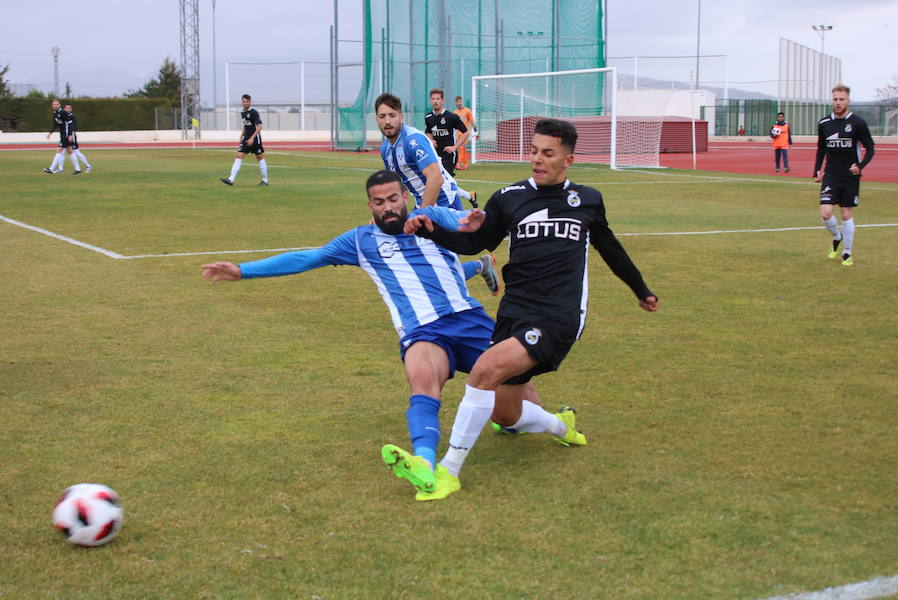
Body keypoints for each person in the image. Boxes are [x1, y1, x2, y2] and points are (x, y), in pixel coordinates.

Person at [201, 170, 550, 502]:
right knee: (423, 379)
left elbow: (476, 226)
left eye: (393, 199)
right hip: (423, 330)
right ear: (370, 206)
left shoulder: (434, 217)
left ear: (405, 198)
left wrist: (478, 223)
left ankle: (530, 422)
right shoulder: (360, 241)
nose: (388, 207)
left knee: (515, 411)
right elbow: (308, 257)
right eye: (379, 202)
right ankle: (424, 463)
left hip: (469, 321)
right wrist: (243, 271)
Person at [400, 118, 659, 501]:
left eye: (548, 153)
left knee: (484, 371)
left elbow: (610, 247)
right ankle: (562, 427)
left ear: (568, 159)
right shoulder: (509, 197)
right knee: (505, 414)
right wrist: (429, 229)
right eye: (534, 150)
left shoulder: (587, 199)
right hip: (514, 312)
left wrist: (641, 289)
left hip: (558, 316)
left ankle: (447, 473)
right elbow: (476, 244)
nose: (538, 159)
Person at [375, 92, 498, 295]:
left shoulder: (413, 140)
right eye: (382, 116)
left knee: (440, 272)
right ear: (376, 119)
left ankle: (478, 271)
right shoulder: (385, 150)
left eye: (392, 115)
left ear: (401, 116)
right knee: (426, 267)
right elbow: (399, 185)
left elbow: (435, 179)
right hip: (423, 206)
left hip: (444, 204)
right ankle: (481, 266)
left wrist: (421, 215)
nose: (387, 121)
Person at [813, 84, 875, 267]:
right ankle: (837, 236)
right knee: (826, 213)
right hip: (831, 174)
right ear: (832, 100)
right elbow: (821, 148)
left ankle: (847, 253)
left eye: (841, 99)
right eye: (835, 99)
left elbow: (870, 148)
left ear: (848, 101)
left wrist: (860, 166)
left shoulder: (858, 123)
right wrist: (817, 169)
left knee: (846, 215)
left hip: (850, 176)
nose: (838, 103)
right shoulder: (824, 123)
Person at [220, 94, 268, 186]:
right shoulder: (242, 112)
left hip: (255, 138)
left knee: (260, 157)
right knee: (239, 155)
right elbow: (246, 126)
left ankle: (265, 180)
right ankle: (231, 179)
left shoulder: (254, 112)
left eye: (246, 101)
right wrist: (241, 136)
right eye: (243, 101)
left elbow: (259, 127)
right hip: (246, 138)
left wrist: (252, 138)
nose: (245, 103)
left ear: (250, 102)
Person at [425, 88, 470, 179]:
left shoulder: (451, 117)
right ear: (430, 101)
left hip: (449, 154)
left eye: (438, 99)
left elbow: (466, 132)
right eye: (433, 99)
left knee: (446, 179)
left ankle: (464, 194)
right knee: (437, 180)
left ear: (442, 101)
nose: (435, 101)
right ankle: (467, 194)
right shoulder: (428, 117)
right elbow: (428, 131)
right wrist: (431, 140)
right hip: (436, 154)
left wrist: (455, 147)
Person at [42, 99, 81, 174]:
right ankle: (78, 169)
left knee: (59, 149)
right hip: (62, 134)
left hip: (66, 134)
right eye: (54, 104)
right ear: (52, 106)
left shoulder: (63, 113)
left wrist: (70, 134)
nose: (55, 106)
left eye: (56, 104)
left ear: (59, 105)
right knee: (70, 151)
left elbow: (70, 123)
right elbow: (55, 124)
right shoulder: (55, 113)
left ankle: (51, 168)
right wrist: (50, 133)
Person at [64, 104, 93, 173]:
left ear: (71, 109)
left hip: (72, 135)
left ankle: (88, 166)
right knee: (64, 151)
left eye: (69, 108)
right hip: (66, 135)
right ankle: (59, 168)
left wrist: (70, 134)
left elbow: (73, 127)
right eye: (67, 108)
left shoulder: (72, 116)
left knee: (76, 151)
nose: (68, 109)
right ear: (64, 109)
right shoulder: (65, 116)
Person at [453, 96, 476, 170]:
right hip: (458, 133)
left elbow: (472, 120)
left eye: (459, 101)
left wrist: (475, 131)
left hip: (465, 132)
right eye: (457, 102)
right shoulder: (455, 112)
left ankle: (458, 163)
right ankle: (466, 165)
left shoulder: (467, 110)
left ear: (461, 101)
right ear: (455, 103)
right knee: (463, 149)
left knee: (461, 147)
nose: (458, 103)